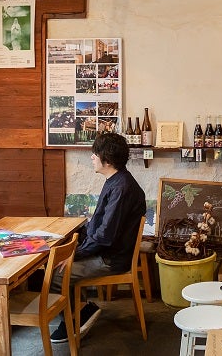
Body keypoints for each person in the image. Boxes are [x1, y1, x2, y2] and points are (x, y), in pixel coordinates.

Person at [50, 132, 146, 344]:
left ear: (107, 160)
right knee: (58, 261)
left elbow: (105, 236)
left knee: (56, 274)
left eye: (95, 153)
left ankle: (76, 318)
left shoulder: (121, 187)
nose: (92, 157)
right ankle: (83, 310)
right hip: (107, 251)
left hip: (112, 259)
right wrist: (76, 247)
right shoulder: (116, 180)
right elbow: (100, 226)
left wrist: (75, 254)